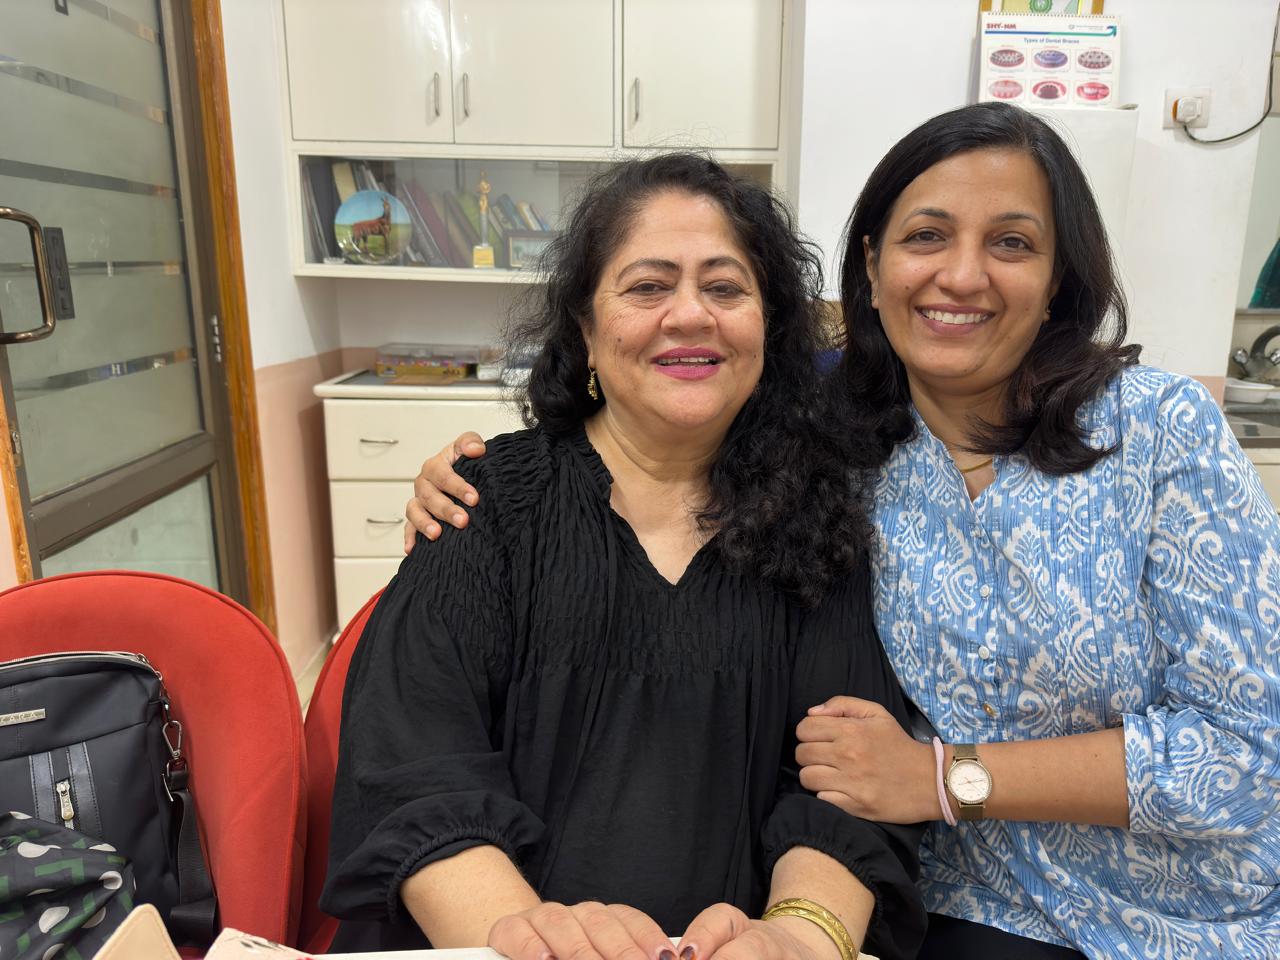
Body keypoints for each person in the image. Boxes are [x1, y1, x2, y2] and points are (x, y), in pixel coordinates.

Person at [402, 102, 1280, 959]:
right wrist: (477, 478)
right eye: (927, 235)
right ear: (872, 263)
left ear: (1060, 279)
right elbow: (690, 381)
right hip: (968, 899)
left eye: (1012, 242)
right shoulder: (837, 442)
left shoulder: (1154, 429)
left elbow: (1251, 753)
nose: (962, 276)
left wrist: (934, 784)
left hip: (1186, 908)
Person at [321, 153, 927, 960]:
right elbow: (414, 764)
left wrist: (800, 935)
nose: (691, 315)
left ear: (769, 325)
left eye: (725, 288)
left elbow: (846, 783)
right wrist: (523, 939)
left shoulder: (820, 521)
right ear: (585, 327)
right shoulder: (484, 503)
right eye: (648, 287)